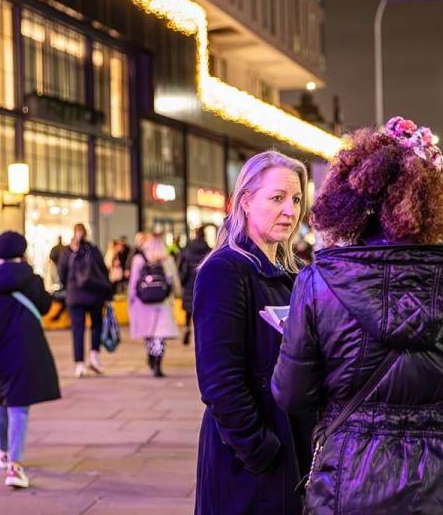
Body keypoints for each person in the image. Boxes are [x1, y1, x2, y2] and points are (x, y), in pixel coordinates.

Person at [272, 118, 443, 513]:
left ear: (351, 202)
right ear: (436, 201)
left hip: (350, 487)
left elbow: (292, 394)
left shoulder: (318, 285)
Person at [193, 150, 317, 515]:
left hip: (292, 452)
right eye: (277, 198)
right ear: (245, 201)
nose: (290, 211)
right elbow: (219, 382)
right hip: (248, 464)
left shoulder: (294, 276)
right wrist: (262, 452)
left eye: (296, 200)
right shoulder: (224, 271)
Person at [0, 231, 60, 489]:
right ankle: (15, 467)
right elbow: (45, 307)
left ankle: (3, 451)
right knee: (20, 407)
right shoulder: (32, 279)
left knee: (2, 402)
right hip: (26, 351)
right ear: (21, 251)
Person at [58, 223, 112, 378]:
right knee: (96, 325)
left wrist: (69, 286)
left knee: (78, 329)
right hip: (94, 294)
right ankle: (94, 356)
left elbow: (62, 275)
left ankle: (79, 364)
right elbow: (103, 271)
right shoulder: (93, 250)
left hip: (74, 296)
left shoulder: (67, 253)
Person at [128, 235, 181, 377]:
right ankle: (158, 361)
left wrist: (131, 299)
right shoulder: (167, 259)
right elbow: (174, 282)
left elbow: (133, 282)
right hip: (163, 303)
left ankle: (151, 356)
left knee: (149, 334)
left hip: (144, 303)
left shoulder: (139, 259)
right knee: (160, 335)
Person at [177, 226, 211, 345]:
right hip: (203, 284)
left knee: (188, 310)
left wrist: (182, 281)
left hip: (189, 283)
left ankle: (187, 328)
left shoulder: (187, 250)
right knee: (201, 310)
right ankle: (199, 333)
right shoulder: (208, 250)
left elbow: (181, 267)